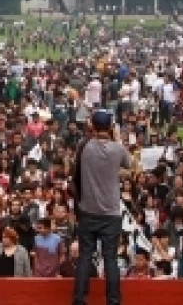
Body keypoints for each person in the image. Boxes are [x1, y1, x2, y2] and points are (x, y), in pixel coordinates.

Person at [72, 110, 131, 305]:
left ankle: (79, 299)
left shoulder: (85, 147)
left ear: (93, 127)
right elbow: (130, 164)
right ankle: (113, 301)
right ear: (111, 127)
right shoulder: (118, 150)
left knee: (84, 257)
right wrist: (116, 138)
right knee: (111, 259)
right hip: (111, 213)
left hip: (87, 210)